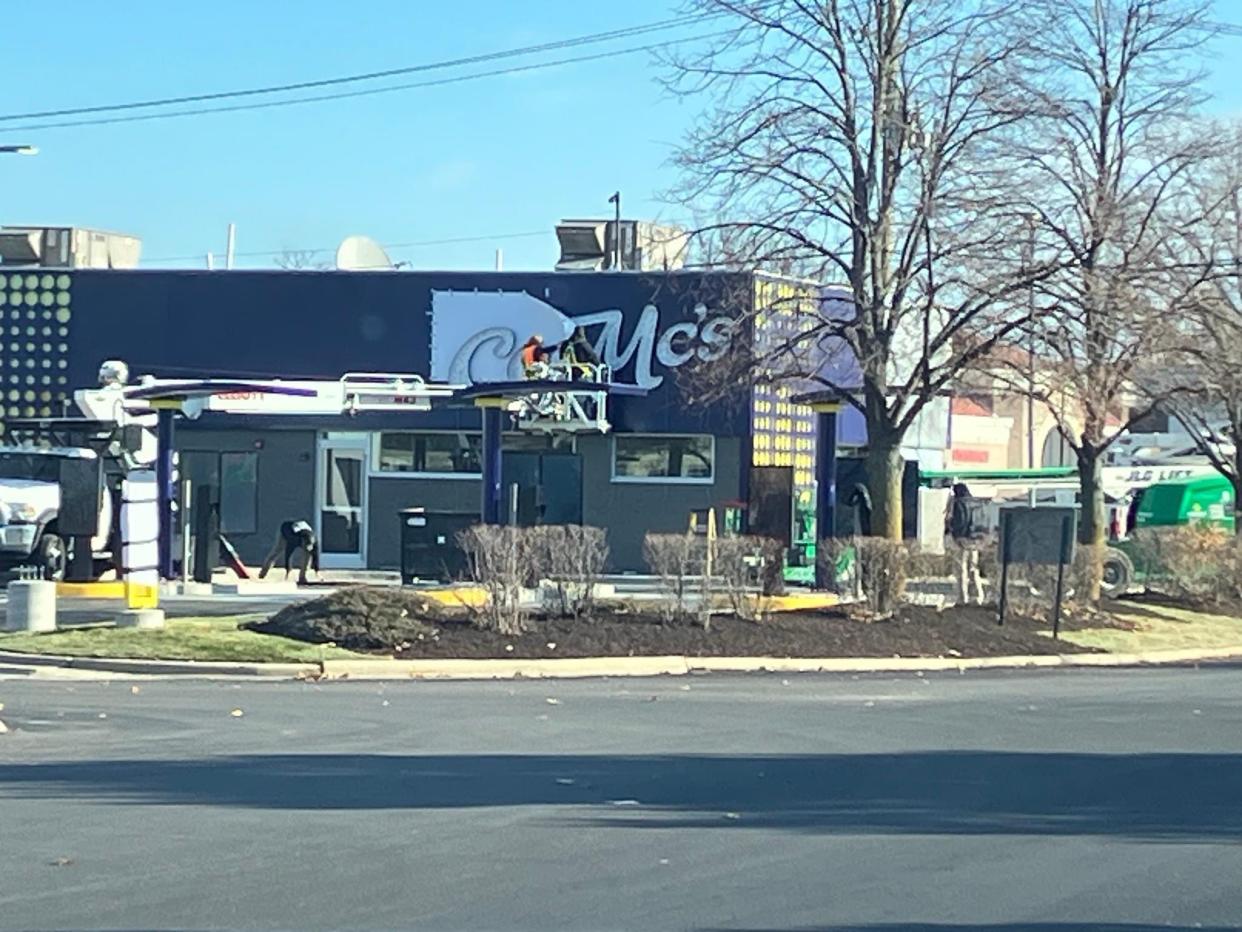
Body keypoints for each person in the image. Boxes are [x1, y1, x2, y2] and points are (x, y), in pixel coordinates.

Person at [946, 482, 986, 605]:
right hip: (974, 539)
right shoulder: (975, 502)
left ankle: (962, 598)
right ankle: (978, 596)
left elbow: (959, 521)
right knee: (974, 568)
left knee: (961, 568)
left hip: (962, 539)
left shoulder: (959, 503)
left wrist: (955, 534)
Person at [259, 519, 320, 585]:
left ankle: (302, 577)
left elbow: (315, 556)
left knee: (307, 555)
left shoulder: (314, 541)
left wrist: (316, 570)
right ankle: (263, 573)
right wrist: (288, 570)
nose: (304, 548)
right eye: (304, 546)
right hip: (286, 530)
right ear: (302, 541)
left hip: (302, 532)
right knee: (278, 550)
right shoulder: (294, 538)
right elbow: (288, 553)